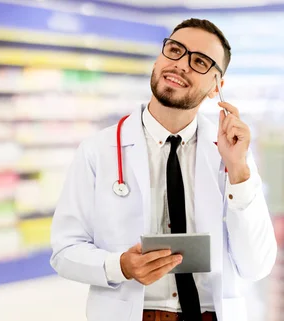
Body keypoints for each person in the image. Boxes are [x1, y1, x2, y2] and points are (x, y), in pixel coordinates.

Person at [49, 18, 277, 321]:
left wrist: (238, 171)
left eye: (199, 61)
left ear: (216, 87)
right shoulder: (98, 151)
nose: (181, 64)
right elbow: (64, 251)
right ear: (159, 58)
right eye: (175, 50)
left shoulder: (232, 156)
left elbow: (256, 265)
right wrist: (120, 266)